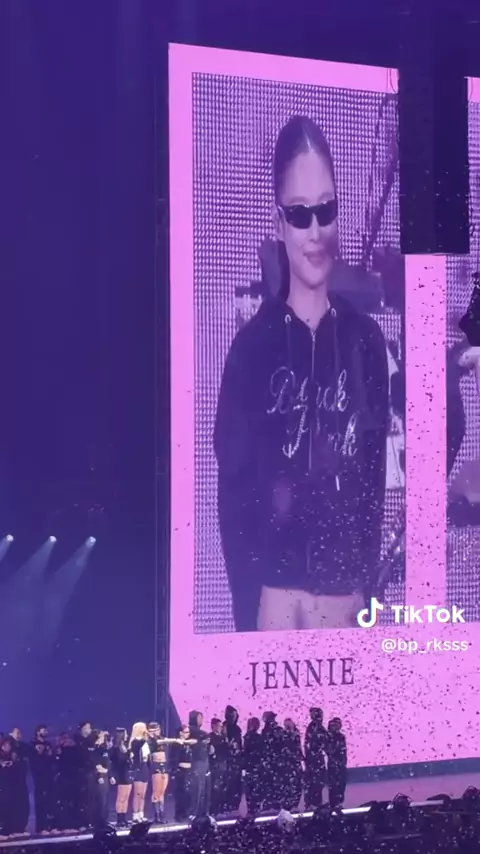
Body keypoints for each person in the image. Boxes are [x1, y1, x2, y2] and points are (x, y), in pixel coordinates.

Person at [214, 115, 389, 632]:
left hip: (344, 605)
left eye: (325, 210)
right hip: (273, 608)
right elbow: (234, 499)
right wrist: (251, 609)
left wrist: (362, 590)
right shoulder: (251, 350)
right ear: (279, 223)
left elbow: (372, 484)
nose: (315, 232)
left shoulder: (365, 342)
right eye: (299, 214)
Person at [30, 725, 56, 834]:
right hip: (39, 776)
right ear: (37, 732)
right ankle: (41, 827)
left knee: (49, 800)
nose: (46, 732)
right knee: (41, 800)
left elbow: (52, 757)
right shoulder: (32, 744)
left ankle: (49, 825)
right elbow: (34, 757)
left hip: (49, 774)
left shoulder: (48, 744)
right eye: (43, 730)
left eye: (46, 730)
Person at [188, 711, 211, 818]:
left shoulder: (202, 733)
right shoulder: (191, 731)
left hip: (204, 761)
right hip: (197, 761)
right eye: (199, 718)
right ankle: (194, 812)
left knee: (204, 789)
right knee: (197, 788)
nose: (201, 720)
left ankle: (202, 812)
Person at [304, 708, 328, 809]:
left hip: (315, 759)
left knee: (317, 782)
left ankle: (314, 802)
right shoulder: (315, 727)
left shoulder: (316, 727)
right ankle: (313, 803)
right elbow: (315, 743)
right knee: (315, 782)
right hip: (314, 759)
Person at [109, 728, 133, 827]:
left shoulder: (126, 747)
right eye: (126, 734)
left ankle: (124, 817)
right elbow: (110, 763)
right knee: (121, 797)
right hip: (120, 774)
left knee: (126, 797)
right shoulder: (114, 749)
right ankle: (119, 819)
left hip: (127, 774)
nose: (127, 736)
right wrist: (111, 776)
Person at [261, 712, 284, 811]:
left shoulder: (268, 730)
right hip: (273, 761)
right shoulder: (270, 730)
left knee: (271, 783)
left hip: (272, 762)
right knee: (272, 783)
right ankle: (273, 804)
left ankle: (272, 804)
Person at [147, 722, 169, 824]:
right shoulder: (150, 741)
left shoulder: (162, 739)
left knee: (162, 792)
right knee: (156, 791)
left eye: (158, 729)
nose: (158, 731)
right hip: (156, 766)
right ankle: (157, 815)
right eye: (155, 729)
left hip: (164, 765)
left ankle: (162, 813)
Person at [172, 725, 193, 823]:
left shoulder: (189, 744)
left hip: (189, 771)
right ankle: (179, 814)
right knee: (181, 794)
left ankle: (187, 813)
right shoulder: (177, 744)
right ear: (180, 733)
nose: (188, 734)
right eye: (186, 732)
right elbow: (174, 758)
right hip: (181, 771)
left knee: (189, 794)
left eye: (188, 732)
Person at [223, 706, 243, 813]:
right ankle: (228, 805)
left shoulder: (237, 728)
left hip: (236, 760)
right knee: (229, 784)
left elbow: (239, 744)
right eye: (233, 715)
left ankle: (234, 805)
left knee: (236, 783)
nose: (235, 717)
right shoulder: (224, 727)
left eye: (235, 715)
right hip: (228, 760)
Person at [129, 722, 150, 823]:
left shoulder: (145, 741)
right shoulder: (135, 742)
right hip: (138, 767)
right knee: (137, 793)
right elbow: (137, 749)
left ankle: (141, 813)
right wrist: (146, 736)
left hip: (145, 766)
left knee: (143, 794)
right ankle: (135, 814)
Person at [281, 718, 303, 812]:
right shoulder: (284, 735)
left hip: (295, 763)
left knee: (297, 784)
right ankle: (288, 805)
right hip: (288, 764)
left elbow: (298, 746)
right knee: (289, 785)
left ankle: (294, 804)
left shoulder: (296, 734)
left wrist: (300, 755)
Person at [243, 717, 263, 816]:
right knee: (255, 788)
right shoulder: (258, 738)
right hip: (256, 766)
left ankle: (251, 809)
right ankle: (255, 808)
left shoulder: (247, 737)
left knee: (250, 789)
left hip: (250, 766)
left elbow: (245, 752)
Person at [209, 718, 228, 815]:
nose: (221, 728)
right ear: (213, 726)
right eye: (219, 726)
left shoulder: (223, 737)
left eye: (221, 726)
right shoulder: (211, 737)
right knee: (216, 788)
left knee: (223, 787)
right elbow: (211, 751)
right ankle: (214, 809)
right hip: (215, 765)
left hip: (223, 764)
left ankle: (221, 807)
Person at [326, 718, 347, 807]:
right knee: (333, 784)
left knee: (341, 784)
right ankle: (334, 803)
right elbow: (329, 750)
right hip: (333, 764)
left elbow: (343, 751)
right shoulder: (328, 737)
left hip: (341, 764)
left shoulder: (341, 737)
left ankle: (339, 802)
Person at [91, 730, 110, 828]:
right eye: (102, 736)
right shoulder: (95, 750)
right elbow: (97, 765)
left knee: (105, 799)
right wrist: (101, 774)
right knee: (101, 800)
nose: (104, 738)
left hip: (105, 775)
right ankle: (99, 821)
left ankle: (104, 820)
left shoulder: (104, 749)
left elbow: (108, 763)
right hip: (99, 776)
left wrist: (108, 772)